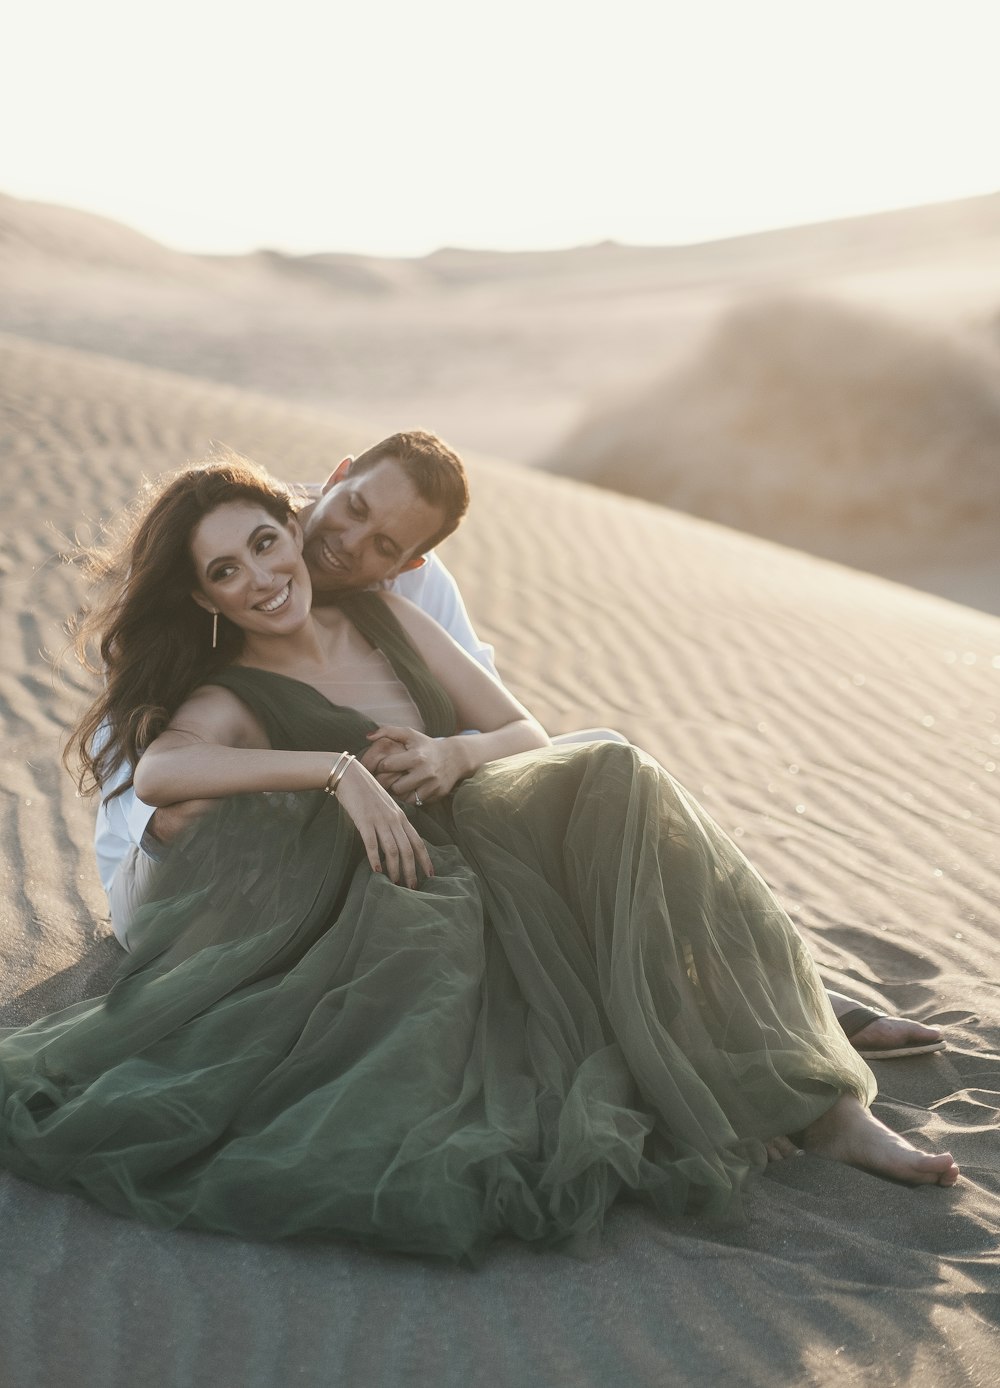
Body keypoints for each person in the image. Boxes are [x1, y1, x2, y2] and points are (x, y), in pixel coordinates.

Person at [0, 458, 958, 1263]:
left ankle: (824, 1097)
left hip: (497, 833)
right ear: (203, 598)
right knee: (599, 864)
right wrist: (337, 772)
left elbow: (522, 728)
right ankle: (781, 1064)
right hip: (418, 900)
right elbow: (164, 772)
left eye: (263, 541)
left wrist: (455, 752)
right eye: (223, 572)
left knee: (615, 773)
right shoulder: (231, 692)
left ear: (290, 529)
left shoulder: (384, 613)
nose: (258, 576)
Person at [95, 431, 945, 1061]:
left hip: (375, 834)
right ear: (337, 477)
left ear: (409, 557)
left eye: (384, 543)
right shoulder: (237, 539)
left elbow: (495, 733)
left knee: (594, 777)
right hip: (184, 864)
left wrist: (450, 756)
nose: (348, 543)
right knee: (209, 810)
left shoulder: (406, 596)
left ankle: (768, 984)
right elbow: (151, 783)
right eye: (351, 508)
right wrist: (330, 773)